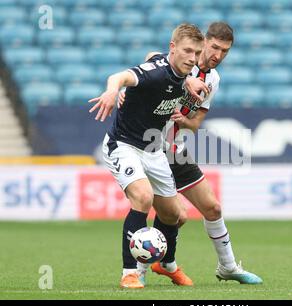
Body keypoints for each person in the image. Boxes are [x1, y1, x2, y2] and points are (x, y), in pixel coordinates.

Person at [119, 22, 262, 286]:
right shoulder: (184, 59)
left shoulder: (214, 80)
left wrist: (184, 122)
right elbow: (152, 58)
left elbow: (196, 123)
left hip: (175, 150)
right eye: (215, 47)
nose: (218, 55)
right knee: (174, 214)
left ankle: (227, 267)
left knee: (212, 207)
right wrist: (130, 92)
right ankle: (140, 270)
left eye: (225, 51)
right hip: (147, 145)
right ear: (204, 42)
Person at [88, 23, 204, 289]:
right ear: (173, 48)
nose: (192, 58)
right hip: (124, 144)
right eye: (187, 51)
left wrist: (187, 79)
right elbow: (121, 76)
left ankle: (166, 264)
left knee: (177, 215)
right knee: (142, 196)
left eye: (197, 53)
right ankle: (130, 272)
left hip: (154, 150)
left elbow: (152, 53)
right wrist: (112, 91)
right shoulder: (154, 75)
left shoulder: (180, 69)